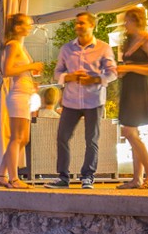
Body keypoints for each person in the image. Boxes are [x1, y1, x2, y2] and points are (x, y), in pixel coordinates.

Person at [46, 11, 117, 189]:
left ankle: (88, 176)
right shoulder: (66, 49)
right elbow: (57, 73)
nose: (78, 26)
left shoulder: (103, 48)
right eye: (76, 23)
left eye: (82, 23)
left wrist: (94, 79)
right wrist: (68, 77)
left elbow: (113, 73)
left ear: (92, 26)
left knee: (91, 139)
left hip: (94, 100)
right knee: (62, 136)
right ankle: (63, 177)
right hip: (71, 101)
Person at [116, 5, 148, 189]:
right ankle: (137, 178)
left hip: (140, 88)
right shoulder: (128, 41)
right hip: (128, 86)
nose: (125, 25)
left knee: (129, 132)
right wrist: (122, 71)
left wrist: (129, 68)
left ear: (136, 21)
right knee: (132, 133)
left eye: (127, 21)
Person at [0, 13, 44, 189]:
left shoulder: (20, 46)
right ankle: (13, 178)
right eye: (27, 24)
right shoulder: (13, 45)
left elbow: (17, 70)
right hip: (18, 95)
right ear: (18, 27)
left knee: (23, 138)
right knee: (18, 137)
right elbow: (6, 70)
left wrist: (31, 79)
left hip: (24, 93)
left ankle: (1, 174)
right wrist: (31, 66)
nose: (30, 27)